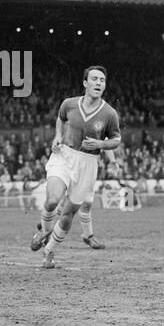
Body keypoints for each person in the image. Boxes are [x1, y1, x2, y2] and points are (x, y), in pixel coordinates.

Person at [30, 66, 121, 269]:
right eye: (95, 79)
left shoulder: (109, 113)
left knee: (68, 215)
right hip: (64, 156)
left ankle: (49, 251)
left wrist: (101, 145)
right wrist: (58, 136)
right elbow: (60, 120)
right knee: (53, 200)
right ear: (85, 83)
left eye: (103, 80)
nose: (99, 83)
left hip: (88, 163)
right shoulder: (69, 104)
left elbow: (116, 139)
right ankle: (44, 231)